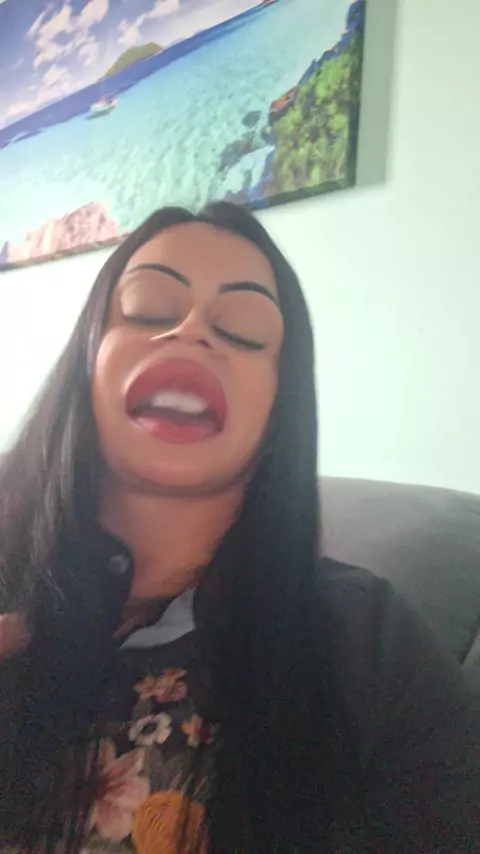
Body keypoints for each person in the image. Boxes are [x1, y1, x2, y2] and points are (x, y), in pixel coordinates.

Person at [0, 202, 478, 854]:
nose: (192, 331)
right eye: (148, 309)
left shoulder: (370, 645)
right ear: (86, 363)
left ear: (281, 409)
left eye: (245, 331)